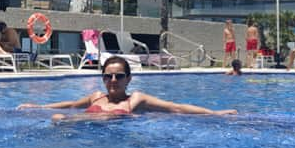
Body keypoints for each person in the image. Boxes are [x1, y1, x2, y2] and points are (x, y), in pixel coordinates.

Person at [18, 56, 237, 119]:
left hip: (113, 144)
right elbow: (71, 104)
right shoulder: (96, 97)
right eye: (108, 76)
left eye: (119, 76)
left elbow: (176, 108)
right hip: (83, 137)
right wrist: (38, 106)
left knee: (60, 120)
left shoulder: (136, 100)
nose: (113, 80)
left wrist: (215, 113)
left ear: (128, 79)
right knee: (57, 118)